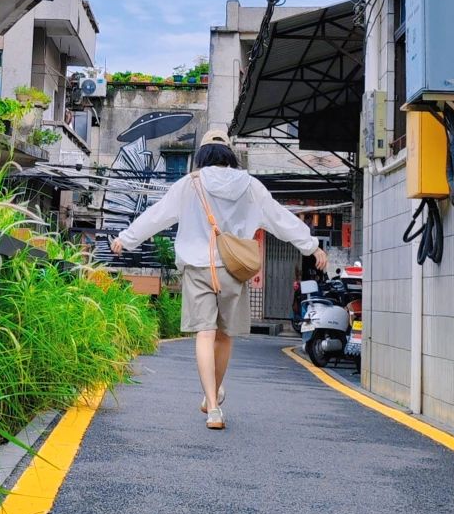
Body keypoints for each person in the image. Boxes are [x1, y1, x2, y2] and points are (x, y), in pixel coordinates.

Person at [110, 130, 327, 431]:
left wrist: (126, 238)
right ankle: (215, 391)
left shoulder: (189, 184)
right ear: (229, 156)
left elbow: (157, 215)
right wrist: (311, 246)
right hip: (234, 269)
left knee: (204, 334)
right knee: (224, 336)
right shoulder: (251, 185)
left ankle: (213, 406)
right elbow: (280, 218)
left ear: (201, 157)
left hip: (198, 268)